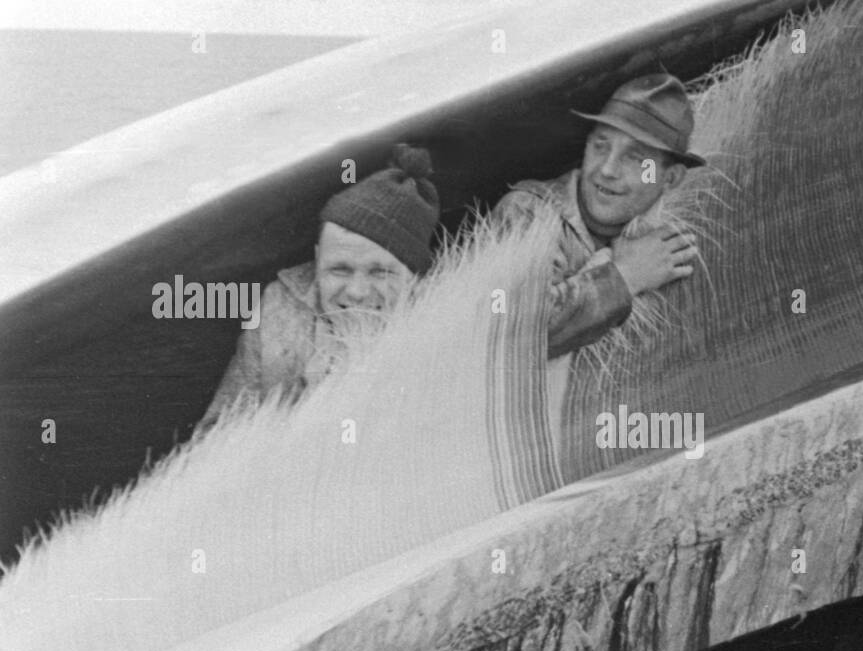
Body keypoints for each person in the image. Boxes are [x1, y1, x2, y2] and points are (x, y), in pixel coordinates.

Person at [492, 74, 705, 434]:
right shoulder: (528, 212)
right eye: (600, 146)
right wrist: (624, 277)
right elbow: (514, 337)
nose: (606, 168)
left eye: (634, 157)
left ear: (670, 180)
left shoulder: (664, 235)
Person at [200, 143, 440, 427]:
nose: (357, 292)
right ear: (317, 261)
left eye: (380, 272)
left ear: (414, 275)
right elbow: (220, 429)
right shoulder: (278, 307)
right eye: (340, 270)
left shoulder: (441, 325)